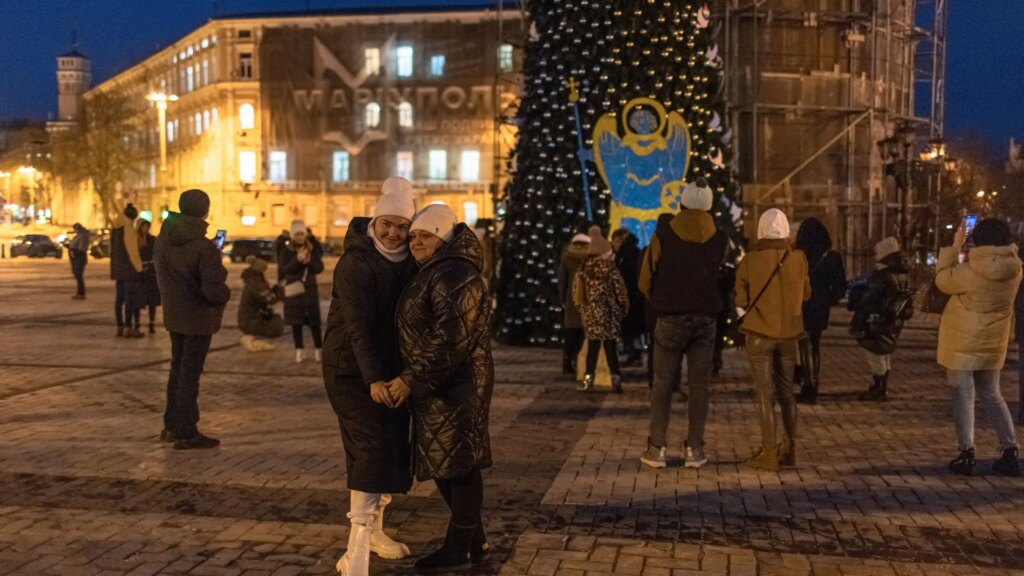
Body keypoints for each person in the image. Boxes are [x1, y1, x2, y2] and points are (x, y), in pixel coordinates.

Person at [387, 204, 493, 572]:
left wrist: (411, 379)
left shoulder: (455, 273)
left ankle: (459, 548)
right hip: (440, 384)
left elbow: (450, 336)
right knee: (447, 464)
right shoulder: (435, 270)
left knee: (460, 468)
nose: (415, 241)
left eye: (425, 235)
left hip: (456, 385)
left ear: (444, 238)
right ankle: (475, 544)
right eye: (413, 235)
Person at [321, 178, 417, 576]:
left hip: (391, 369)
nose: (393, 233)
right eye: (386, 224)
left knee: (392, 447)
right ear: (374, 222)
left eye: (402, 226)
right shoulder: (356, 262)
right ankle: (356, 548)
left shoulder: (412, 260)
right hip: (350, 369)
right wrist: (374, 378)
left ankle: (375, 531)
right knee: (370, 449)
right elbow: (358, 327)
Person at [638, 178, 728, 469]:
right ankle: (695, 449)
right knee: (700, 386)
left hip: (670, 315)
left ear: (682, 203)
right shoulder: (720, 238)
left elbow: (645, 278)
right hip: (706, 317)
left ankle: (657, 448)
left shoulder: (664, 234)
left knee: (663, 384)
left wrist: (659, 298)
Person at [936, 219, 1022, 476]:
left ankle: (967, 453)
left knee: (963, 395)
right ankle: (1010, 450)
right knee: (993, 394)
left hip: (962, 342)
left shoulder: (970, 271)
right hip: (992, 341)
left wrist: (955, 246)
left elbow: (942, 280)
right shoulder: (1016, 270)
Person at [154, 189, 230, 450]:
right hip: (197, 319)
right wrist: (224, 288)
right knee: (189, 374)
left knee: (177, 370)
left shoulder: (164, 239)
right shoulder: (204, 248)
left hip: (174, 313)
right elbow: (213, 290)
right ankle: (186, 431)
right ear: (204, 212)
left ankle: (171, 425)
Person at [735, 209, 810, 471]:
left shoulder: (750, 260)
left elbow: (741, 299)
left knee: (765, 394)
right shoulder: (798, 258)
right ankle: (790, 448)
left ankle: (769, 451)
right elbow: (806, 294)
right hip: (789, 335)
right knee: (787, 392)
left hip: (759, 334)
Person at [848, 237, 912, 402]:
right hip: (892, 322)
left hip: (876, 321)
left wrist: (857, 305)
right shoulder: (901, 274)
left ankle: (879, 388)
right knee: (883, 353)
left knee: (875, 354)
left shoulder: (882, 276)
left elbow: (868, 299)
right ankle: (882, 386)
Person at [793, 218, 847, 404]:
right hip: (820, 307)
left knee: (804, 345)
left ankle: (809, 387)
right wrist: (827, 299)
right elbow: (840, 286)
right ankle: (813, 382)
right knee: (814, 345)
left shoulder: (797, 256)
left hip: (801, 305)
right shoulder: (831, 257)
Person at [575, 225, 628, 393]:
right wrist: (623, 308)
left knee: (592, 349)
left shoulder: (583, 270)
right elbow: (620, 292)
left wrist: (583, 310)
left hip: (590, 314)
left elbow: (577, 293)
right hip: (609, 314)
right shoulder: (611, 269)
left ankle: (587, 380)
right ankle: (616, 380)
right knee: (611, 349)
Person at [279, 219, 325, 363]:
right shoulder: (286, 251)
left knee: (314, 322)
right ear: (292, 236)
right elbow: (284, 269)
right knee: (296, 322)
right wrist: (297, 260)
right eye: (297, 234)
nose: (300, 237)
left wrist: (309, 261)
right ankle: (299, 350)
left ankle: (318, 349)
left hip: (310, 290)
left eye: (302, 234)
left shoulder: (312, 249)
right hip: (295, 290)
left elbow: (319, 268)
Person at [557, 232, 591, 376]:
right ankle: (580, 362)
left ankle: (567, 362)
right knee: (584, 333)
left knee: (571, 332)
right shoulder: (591, 257)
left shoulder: (567, 258)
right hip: (588, 299)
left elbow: (562, 281)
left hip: (572, 299)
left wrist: (562, 299)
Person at [612, 228, 646, 366]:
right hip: (634, 295)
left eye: (616, 241)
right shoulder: (633, 252)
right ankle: (634, 353)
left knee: (631, 327)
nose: (614, 244)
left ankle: (635, 354)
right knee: (632, 328)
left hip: (630, 296)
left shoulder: (626, 254)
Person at [110, 204, 143, 337]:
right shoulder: (127, 228)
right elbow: (132, 251)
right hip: (129, 269)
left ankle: (120, 326)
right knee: (130, 300)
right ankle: (129, 327)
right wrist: (139, 267)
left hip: (118, 269)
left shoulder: (115, 228)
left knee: (119, 299)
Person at [238, 255, 283, 352]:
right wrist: (280, 292)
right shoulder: (255, 283)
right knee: (277, 326)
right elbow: (269, 299)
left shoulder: (253, 280)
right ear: (260, 270)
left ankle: (256, 338)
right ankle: (251, 338)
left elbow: (266, 295)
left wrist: (275, 290)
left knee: (276, 322)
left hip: (251, 318)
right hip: (250, 320)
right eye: (265, 271)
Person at [125, 219, 162, 336]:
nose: (144, 229)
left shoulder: (152, 239)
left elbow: (156, 254)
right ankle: (137, 323)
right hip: (138, 274)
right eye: (142, 226)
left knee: (152, 301)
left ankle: (151, 323)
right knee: (137, 300)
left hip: (150, 274)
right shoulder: (135, 240)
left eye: (146, 226)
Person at [68, 223, 90, 300]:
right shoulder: (79, 235)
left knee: (79, 276)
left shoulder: (83, 236)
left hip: (79, 257)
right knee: (77, 275)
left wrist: (74, 251)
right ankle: (79, 293)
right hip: (76, 257)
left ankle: (81, 293)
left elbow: (82, 248)